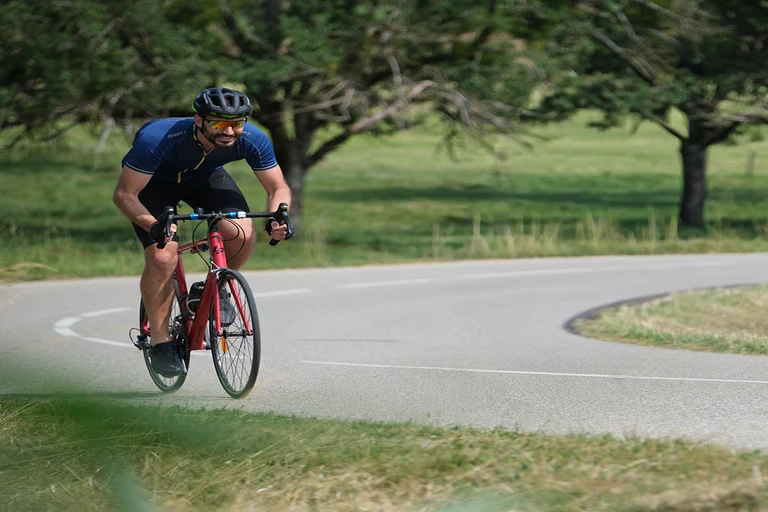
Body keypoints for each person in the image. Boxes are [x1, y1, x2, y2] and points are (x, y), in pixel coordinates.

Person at [113, 87, 292, 377]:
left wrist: (277, 217)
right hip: (153, 186)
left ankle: (215, 289)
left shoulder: (252, 137)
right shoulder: (158, 139)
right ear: (199, 120)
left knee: (241, 232)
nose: (229, 131)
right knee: (163, 256)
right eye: (219, 123)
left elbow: (277, 188)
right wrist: (153, 225)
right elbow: (124, 195)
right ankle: (160, 341)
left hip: (204, 179)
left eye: (236, 123)